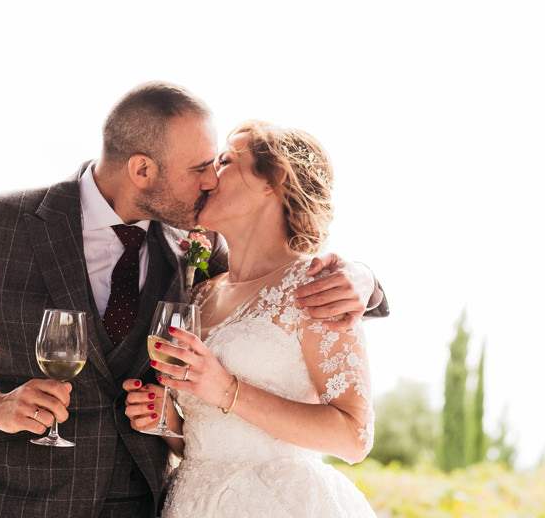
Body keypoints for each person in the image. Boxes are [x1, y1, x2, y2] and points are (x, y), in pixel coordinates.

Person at [0, 82, 387, 518]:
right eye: (199, 168)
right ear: (143, 170)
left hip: (144, 504)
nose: (210, 181)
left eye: (220, 165)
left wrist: (364, 280)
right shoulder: (4, 225)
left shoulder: (199, 246)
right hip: (16, 501)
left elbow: (281, 282)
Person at [124, 120, 378, 516]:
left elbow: (355, 435)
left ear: (272, 180)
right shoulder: (200, 293)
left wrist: (226, 388)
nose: (208, 177)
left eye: (224, 161)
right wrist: (169, 420)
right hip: (193, 501)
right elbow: (210, 437)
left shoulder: (316, 286)